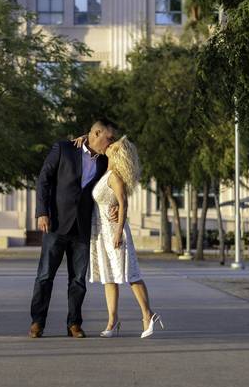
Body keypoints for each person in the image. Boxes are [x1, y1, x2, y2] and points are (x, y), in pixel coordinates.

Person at [29, 119, 117, 338]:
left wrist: (117, 205)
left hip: (83, 228)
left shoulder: (106, 160)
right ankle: (37, 322)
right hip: (56, 223)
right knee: (45, 276)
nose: (111, 142)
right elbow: (44, 180)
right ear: (97, 133)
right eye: (109, 138)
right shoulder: (64, 149)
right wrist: (42, 212)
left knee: (78, 279)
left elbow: (116, 183)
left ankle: (74, 324)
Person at [86, 135, 164, 338]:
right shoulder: (107, 172)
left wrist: (119, 231)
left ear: (117, 153)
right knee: (108, 277)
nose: (107, 146)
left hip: (114, 231)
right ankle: (112, 322)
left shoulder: (115, 176)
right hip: (102, 231)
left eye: (112, 146)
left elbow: (124, 204)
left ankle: (148, 315)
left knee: (130, 274)